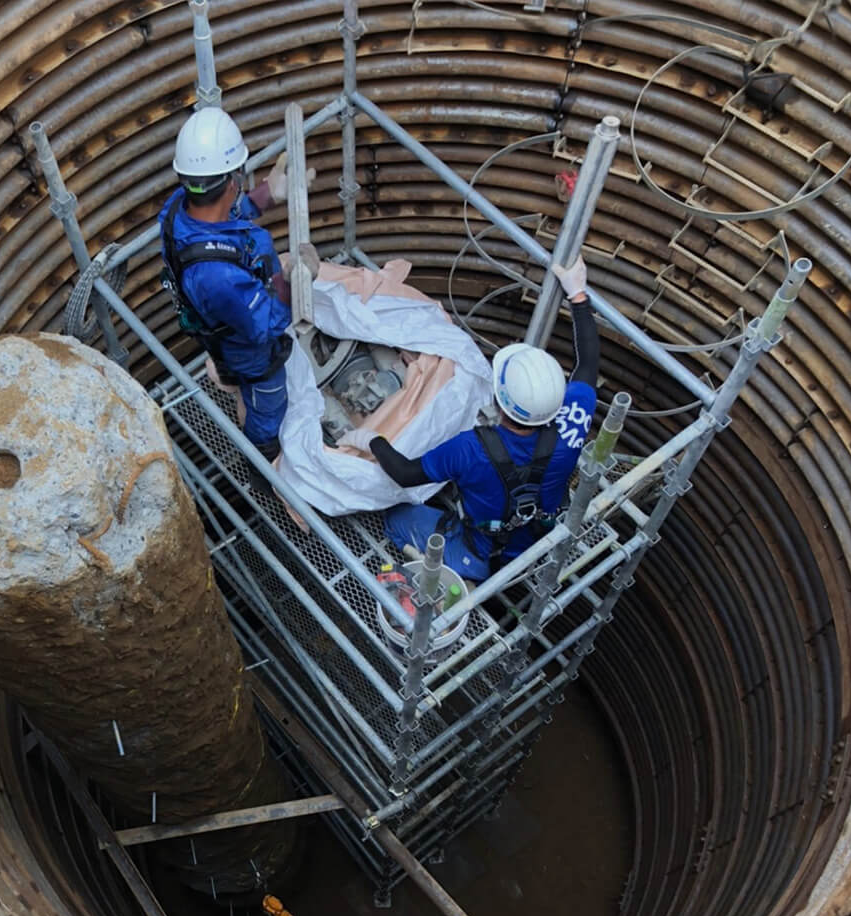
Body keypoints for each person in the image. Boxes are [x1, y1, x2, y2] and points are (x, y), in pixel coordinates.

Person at [343, 259, 601, 581]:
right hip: (538, 539)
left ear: (498, 400)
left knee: (396, 519)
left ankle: (451, 576)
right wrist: (577, 294)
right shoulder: (573, 423)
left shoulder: (471, 449)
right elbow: (588, 364)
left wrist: (370, 439)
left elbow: (405, 474)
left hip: (478, 553)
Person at [158, 106, 313, 462]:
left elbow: (218, 223)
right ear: (232, 181)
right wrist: (293, 282)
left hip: (220, 324)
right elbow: (266, 325)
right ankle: (262, 457)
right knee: (269, 401)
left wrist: (262, 197)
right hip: (248, 351)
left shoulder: (176, 209)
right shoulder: (218, 278)